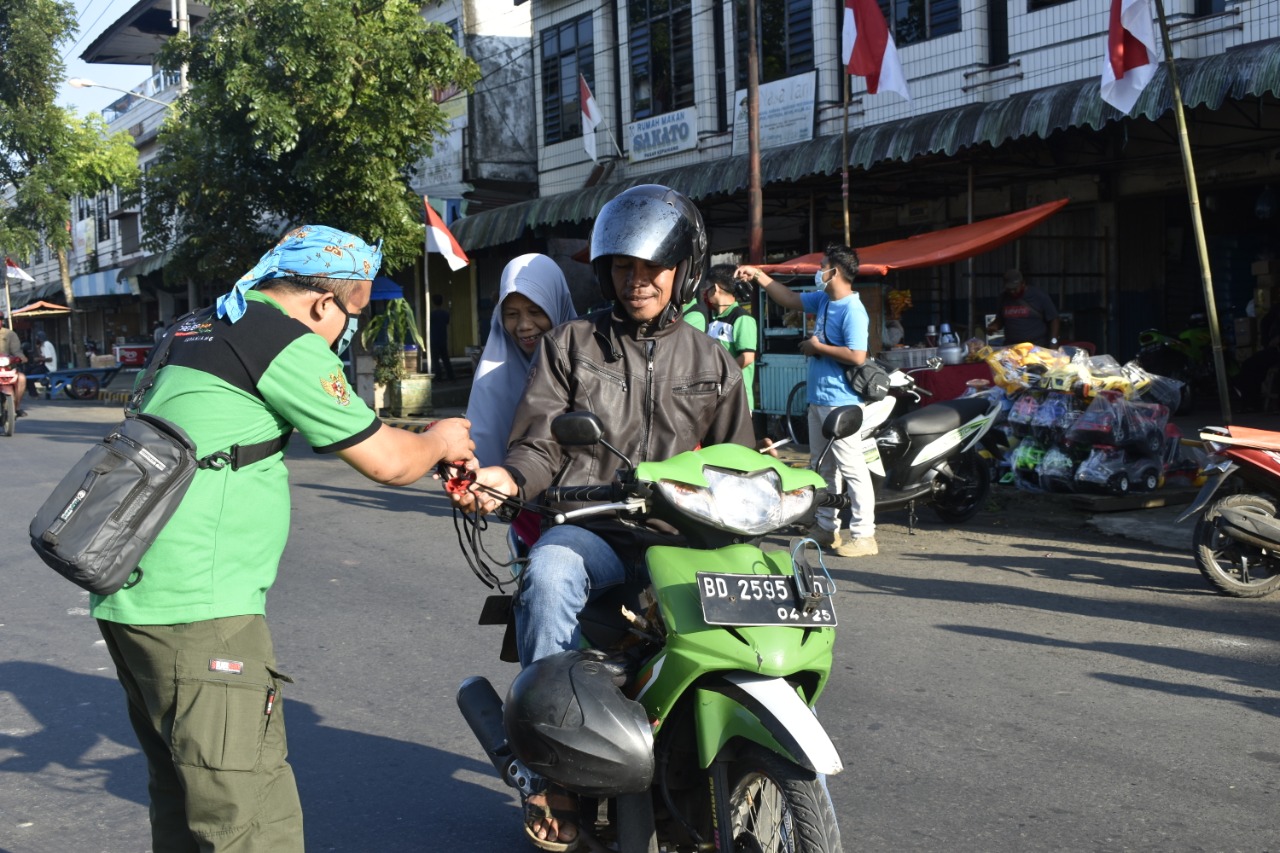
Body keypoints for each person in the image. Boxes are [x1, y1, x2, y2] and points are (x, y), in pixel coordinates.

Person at [91, 225, 474, 852]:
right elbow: (389, 461)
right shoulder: (281, 341)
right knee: (243, 815)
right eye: (351, 315)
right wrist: (443, 439)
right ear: (324, 303)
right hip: (201, 608)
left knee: (185, 797)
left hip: (130, 593)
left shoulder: (198, 325)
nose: (345, 334)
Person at [449, 185, 754, 851]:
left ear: (682, 269)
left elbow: (741, 461)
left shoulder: (714, 361)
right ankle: (547, 767)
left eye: (651, 267)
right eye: (624, 267)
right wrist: (506, 477)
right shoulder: (572, 344)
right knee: (550, 571)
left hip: (681, 538)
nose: (637, 281)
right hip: (594, 529)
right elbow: (539, 443)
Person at [736, 244, 878, 558]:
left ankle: (864, 534)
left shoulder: (853, 309)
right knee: (822, 466)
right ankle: (827, 528)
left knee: (852, 467)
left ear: (835, 271)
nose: (819, 270)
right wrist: (759, 275)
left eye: (823, 265)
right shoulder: (825, 300)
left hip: (841, 401)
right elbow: (788, 298)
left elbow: (857, 355)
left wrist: (818, 347)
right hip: (819, 399)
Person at [466, 253, 577, 467]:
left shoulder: (589, 364)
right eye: (512, 314)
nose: (524, 325)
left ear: (557, 304)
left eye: (536, 311)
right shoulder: (490, 381)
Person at [702, 263, 758, 411]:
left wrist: (720, 373)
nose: (705, 292)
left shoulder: (742, 318)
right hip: (718, 398)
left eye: (706, 288)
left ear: (716, 288)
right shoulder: (713, 318)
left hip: (738, 402)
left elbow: (747, 357)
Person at [986, 268, 1060, 348]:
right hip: (1011, 347)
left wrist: (1054, 341)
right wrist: (994, 326)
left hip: (1035, 346)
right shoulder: (1003, 298)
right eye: (1009, 289)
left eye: (1015, 289)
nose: (1012, 292)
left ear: (1023, 284)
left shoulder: (1039, 296)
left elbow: (1054, 319)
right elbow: (1000, 320)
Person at [0, 313, 28, 416]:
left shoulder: (10, 334)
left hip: (7, 368)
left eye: (0, 319)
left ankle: (16, 407)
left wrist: (21, 358)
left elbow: (17, 351)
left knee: (21, 378)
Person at [430, 293, 456, 381]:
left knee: (435, 360)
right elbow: (447, 322)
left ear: (433, 303)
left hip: (434, 338)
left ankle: (438, 377)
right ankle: (451, 377)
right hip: (443, 338)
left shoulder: (432, 314)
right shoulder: (445, 313)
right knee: (445, 359)